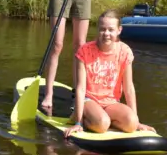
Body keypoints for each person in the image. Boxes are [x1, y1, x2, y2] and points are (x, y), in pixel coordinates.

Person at [64, 10, 155, 138]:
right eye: (102, 29)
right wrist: (78, 122)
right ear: (98, 30)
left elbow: (129, 88)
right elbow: (80, 88)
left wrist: (138, 122)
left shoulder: (124, 51)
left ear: (119, 30)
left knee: (131, 123)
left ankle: (105, 119)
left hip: (111, 102)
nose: (106, 34)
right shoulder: (84, 51)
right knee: (101, 124)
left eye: (111, 30)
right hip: (89, 100)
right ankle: (83, 117)